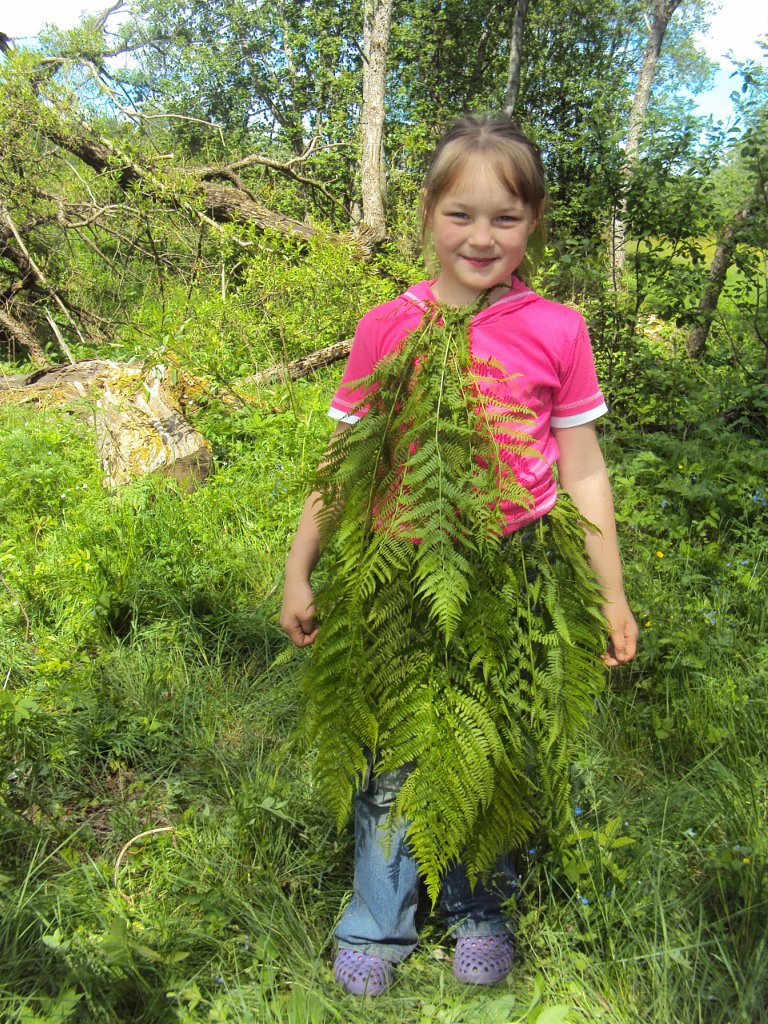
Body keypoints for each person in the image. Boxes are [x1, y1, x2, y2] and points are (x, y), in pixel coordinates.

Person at [280, 115, 638, 996]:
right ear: (428, 215)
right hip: (397, 576)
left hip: (515, 572)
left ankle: (481, 909)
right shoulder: (387, 327)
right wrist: (299, 566)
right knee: (389, 752)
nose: (483, 237)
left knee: (495, 747)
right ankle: (378, 919)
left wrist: (612, 595)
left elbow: (584, 472)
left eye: (506, 218)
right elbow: (344, 461)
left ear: (534, 223)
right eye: (461, 214)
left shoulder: (558, 329)